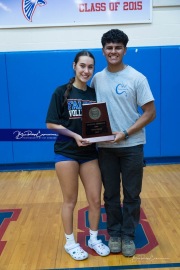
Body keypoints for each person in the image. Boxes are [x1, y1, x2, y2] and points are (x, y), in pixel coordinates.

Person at [91, 29, 156, 257]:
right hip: (106, 149)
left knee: (131, 195)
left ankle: (128, 236)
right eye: (109, 48)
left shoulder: (137, 78)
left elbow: (150, 112)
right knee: (110, 195)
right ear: (103, 51)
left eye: (118, 47)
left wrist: (126, 133)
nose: (113, 51)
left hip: (132, 146)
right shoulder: (97, 78)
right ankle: (114, 234)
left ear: (125, 50)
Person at [46, 50, 110, 261]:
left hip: (89, 153)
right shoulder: (60, 92)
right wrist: (74, 135)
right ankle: (70, 243)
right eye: (82, 66)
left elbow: (97, 126)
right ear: (74, 66)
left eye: (90, 67)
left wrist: (105, 136)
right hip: (66, 152)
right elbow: (51, 124)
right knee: (70, 201)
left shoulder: (93, 94)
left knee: (94, 199)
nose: (86, 70)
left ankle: (93, 238)